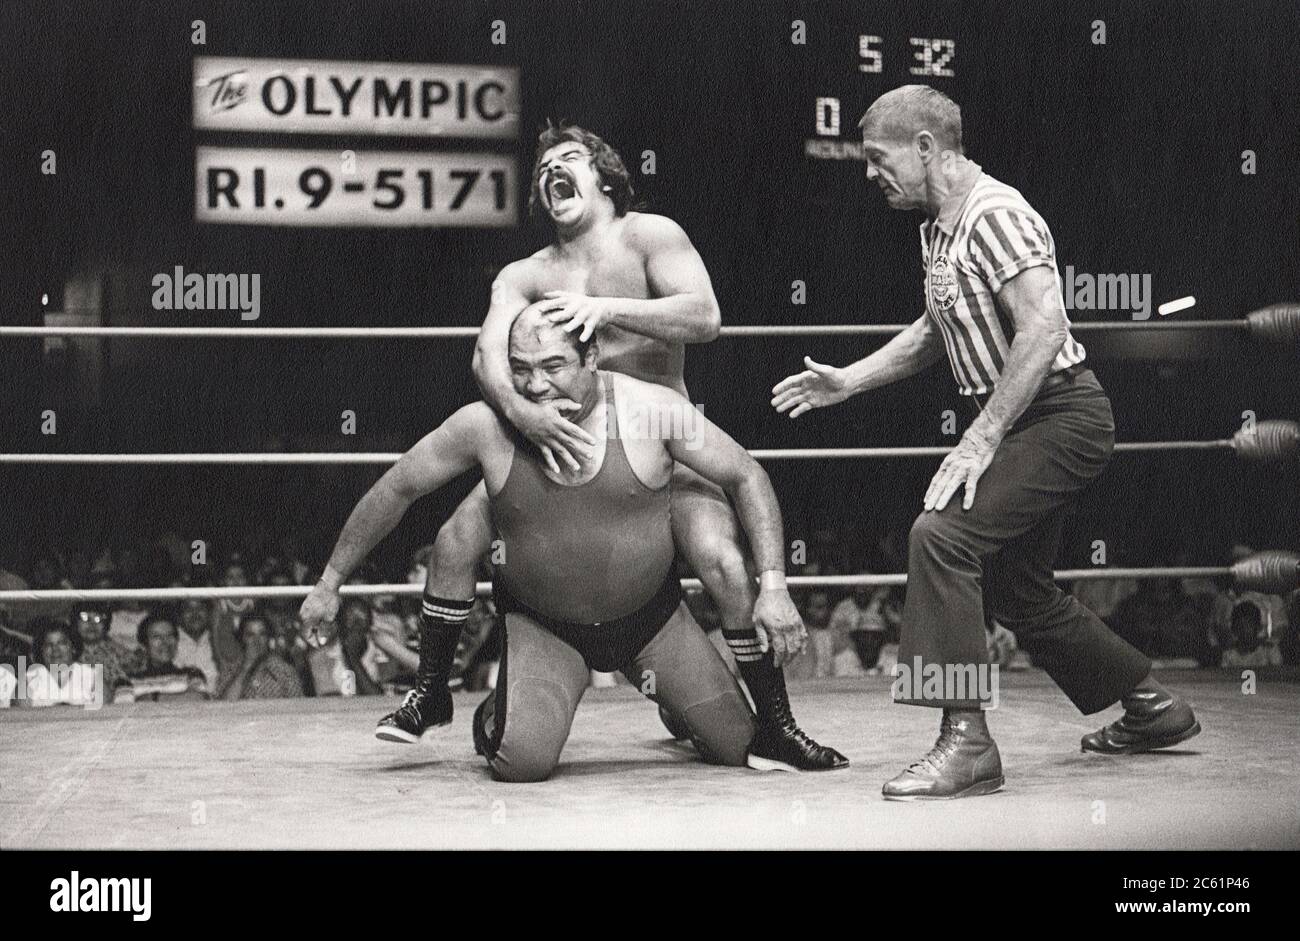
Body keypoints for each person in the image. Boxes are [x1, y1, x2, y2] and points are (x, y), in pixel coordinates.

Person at [369, 123, 844, 772]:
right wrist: (521, 414)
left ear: (606, 176)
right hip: (560, 445)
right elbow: (486, 352)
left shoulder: (650, 235)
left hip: (663, 454)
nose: (550, 172)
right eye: (542, 169)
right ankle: (439, 694)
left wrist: (608, 312)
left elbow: (704, 317)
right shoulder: (528, 272)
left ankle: (777, 725)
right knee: (457, 535)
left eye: (567, 159)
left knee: (722, 562)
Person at [772, 85, 1199, 799]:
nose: (870, 174)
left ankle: (966, 742)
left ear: (927, 149)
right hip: (1022, 417)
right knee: (1019, 589)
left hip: (1060, 415)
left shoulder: (995, 214)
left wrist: (980, 437)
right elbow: (937, 327)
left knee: (940, 538)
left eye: (879, 159)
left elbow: (1044, 328)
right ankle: (1154, 705)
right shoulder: (937, 225)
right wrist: (849, 381)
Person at [301, 304, 822, 781]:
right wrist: (329, 583)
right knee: (521, 765)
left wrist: (774, 586)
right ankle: (488, 708)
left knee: (738, 749)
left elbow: (746, 474)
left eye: (553, 366)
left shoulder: (651, 410)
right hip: (545, 627)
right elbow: (397, 488)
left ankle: (689, 706)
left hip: (651, 619)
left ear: (591, 356)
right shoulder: (488, 426)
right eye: (521, 369)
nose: (536, 386)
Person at [217, 611, 305, 700]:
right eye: (250, 635)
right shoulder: (230, 671)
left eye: (262, 634)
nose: (257, 641)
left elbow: (298, 710)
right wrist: (246, 668)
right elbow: (223, 709)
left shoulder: (285, 672)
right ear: (242, 639)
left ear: (268, 638)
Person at [128, 611, 209, 702]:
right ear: (144, 645)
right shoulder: (128, 681)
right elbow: (122, 711)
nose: (165, 642)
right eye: (157, 637)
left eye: (170, 635)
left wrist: (153, 697)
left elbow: (199, 699)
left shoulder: (192, 674)